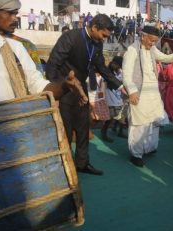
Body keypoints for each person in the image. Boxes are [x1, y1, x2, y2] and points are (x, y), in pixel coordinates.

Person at [46, 14, 122, 176]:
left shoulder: (97, 44)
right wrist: (53, 93)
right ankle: (64, 167)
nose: (104, 39)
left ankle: (82, 163)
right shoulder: (70, 37)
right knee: (64, 130)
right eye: (103, 35)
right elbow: (53, 63)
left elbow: (102, 67)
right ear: (94, 28)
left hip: (81, 90)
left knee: (82, 127)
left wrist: (120, 85)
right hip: (64, 88)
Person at [0, 0, 87, 107]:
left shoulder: (16, 47)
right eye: (9, 13)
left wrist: (65, 86)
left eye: (15, 13)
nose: (14, 18)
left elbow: (37, 86)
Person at [122, 25, 173, 167]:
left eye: (155, 41)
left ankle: (149, 148)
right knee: (139, 124)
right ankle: (136, 154)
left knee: (153, 122)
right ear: (143, 36)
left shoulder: (153, 49)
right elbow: (126, 74)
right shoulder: (132, 50)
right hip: (139, 92)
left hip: (153, 93)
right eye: (151, 40)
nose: (153, 43)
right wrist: (132, 91)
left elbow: (166, 58)